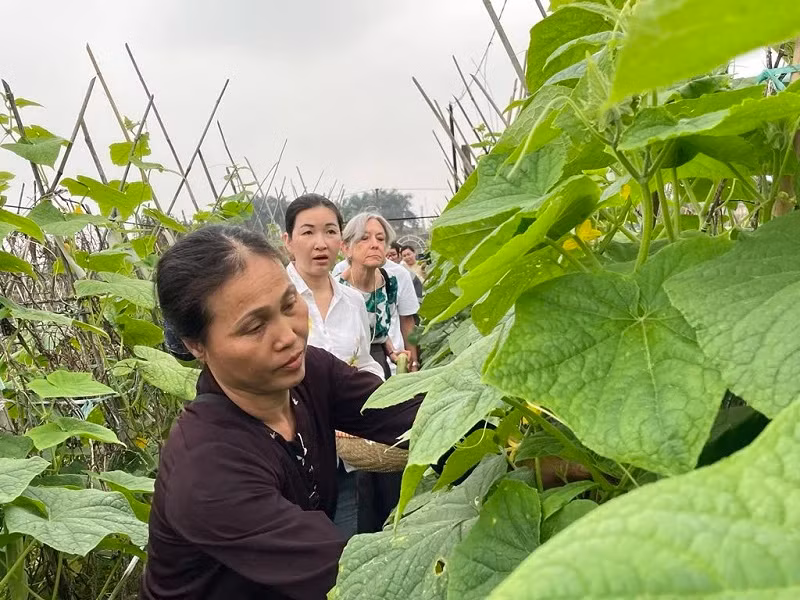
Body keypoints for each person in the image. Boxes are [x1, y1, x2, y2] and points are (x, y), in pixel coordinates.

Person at [142, 225, 420, 600]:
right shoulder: (208, 468)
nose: (288, 336)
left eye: (289, 304)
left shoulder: (310, 373)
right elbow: (350, 583)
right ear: (196, 345)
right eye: (255, 326)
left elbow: (410, 414)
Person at [281, 193, 383, 539]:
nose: (320, 243)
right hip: (292, 446)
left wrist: (369, 403)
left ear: (341, 240)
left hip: (351, 449)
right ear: (288, 241)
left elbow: (367, 362)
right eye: (307, 232)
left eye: (330, 231)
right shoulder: (273, 301)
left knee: (344, 543)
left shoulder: (354, 301)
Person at [336, 213, 418, 376]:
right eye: (364, 238)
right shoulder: (337, 286)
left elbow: (384, 328)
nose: (375, 245)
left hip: (384, 365)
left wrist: (408, 361)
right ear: (346, 248)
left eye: (380, 239)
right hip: (347, 369)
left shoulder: (391, 282)